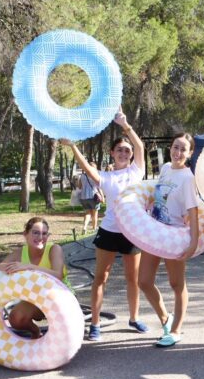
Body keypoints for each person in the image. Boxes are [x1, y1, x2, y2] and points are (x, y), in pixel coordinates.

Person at [60, 107, 149, 341]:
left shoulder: (136, 171)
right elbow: (86, 169)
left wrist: (125, 125)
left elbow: (140, 147)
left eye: (127, 150)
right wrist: (73, 146)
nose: (124, 152)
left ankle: (134, 318)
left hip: (132, 233)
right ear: (112, 153)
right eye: (120, 149)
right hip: (109, 231)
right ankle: (96, 324)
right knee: (101, 278)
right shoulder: (106, 177)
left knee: (133, 278)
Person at [138, 132, 200, 348]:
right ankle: (166, 318)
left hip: (174, 236)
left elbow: (193, 212)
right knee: (144, 281)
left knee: (177, 284)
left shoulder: (188, 178)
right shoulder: (165, 168)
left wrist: (193, 243)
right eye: (175, 147)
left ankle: (175, 330)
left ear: (190, 153)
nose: (178, 152)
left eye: (183, 149)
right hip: (156, 232)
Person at [0, 217, 68, 339]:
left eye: (44, 233)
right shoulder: (20, 253)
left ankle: (57, 336)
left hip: (59, 297)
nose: (40, 237)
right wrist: (7, 268)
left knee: (61, 331)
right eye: (35, 232)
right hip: (34, 298)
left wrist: (29, 267)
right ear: (25, 235)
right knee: (16, 318)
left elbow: (57, 275)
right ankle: (36, 332)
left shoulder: (54, 249)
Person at [78, 161, 101, 234]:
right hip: (94, 196)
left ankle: (84, 227)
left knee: (87, 213)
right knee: (95, 213)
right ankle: (94, 228)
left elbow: (79, 186)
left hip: (83, 197)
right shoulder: (95, 175)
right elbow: (99, 187)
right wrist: (102, 195)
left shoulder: (82, 176)